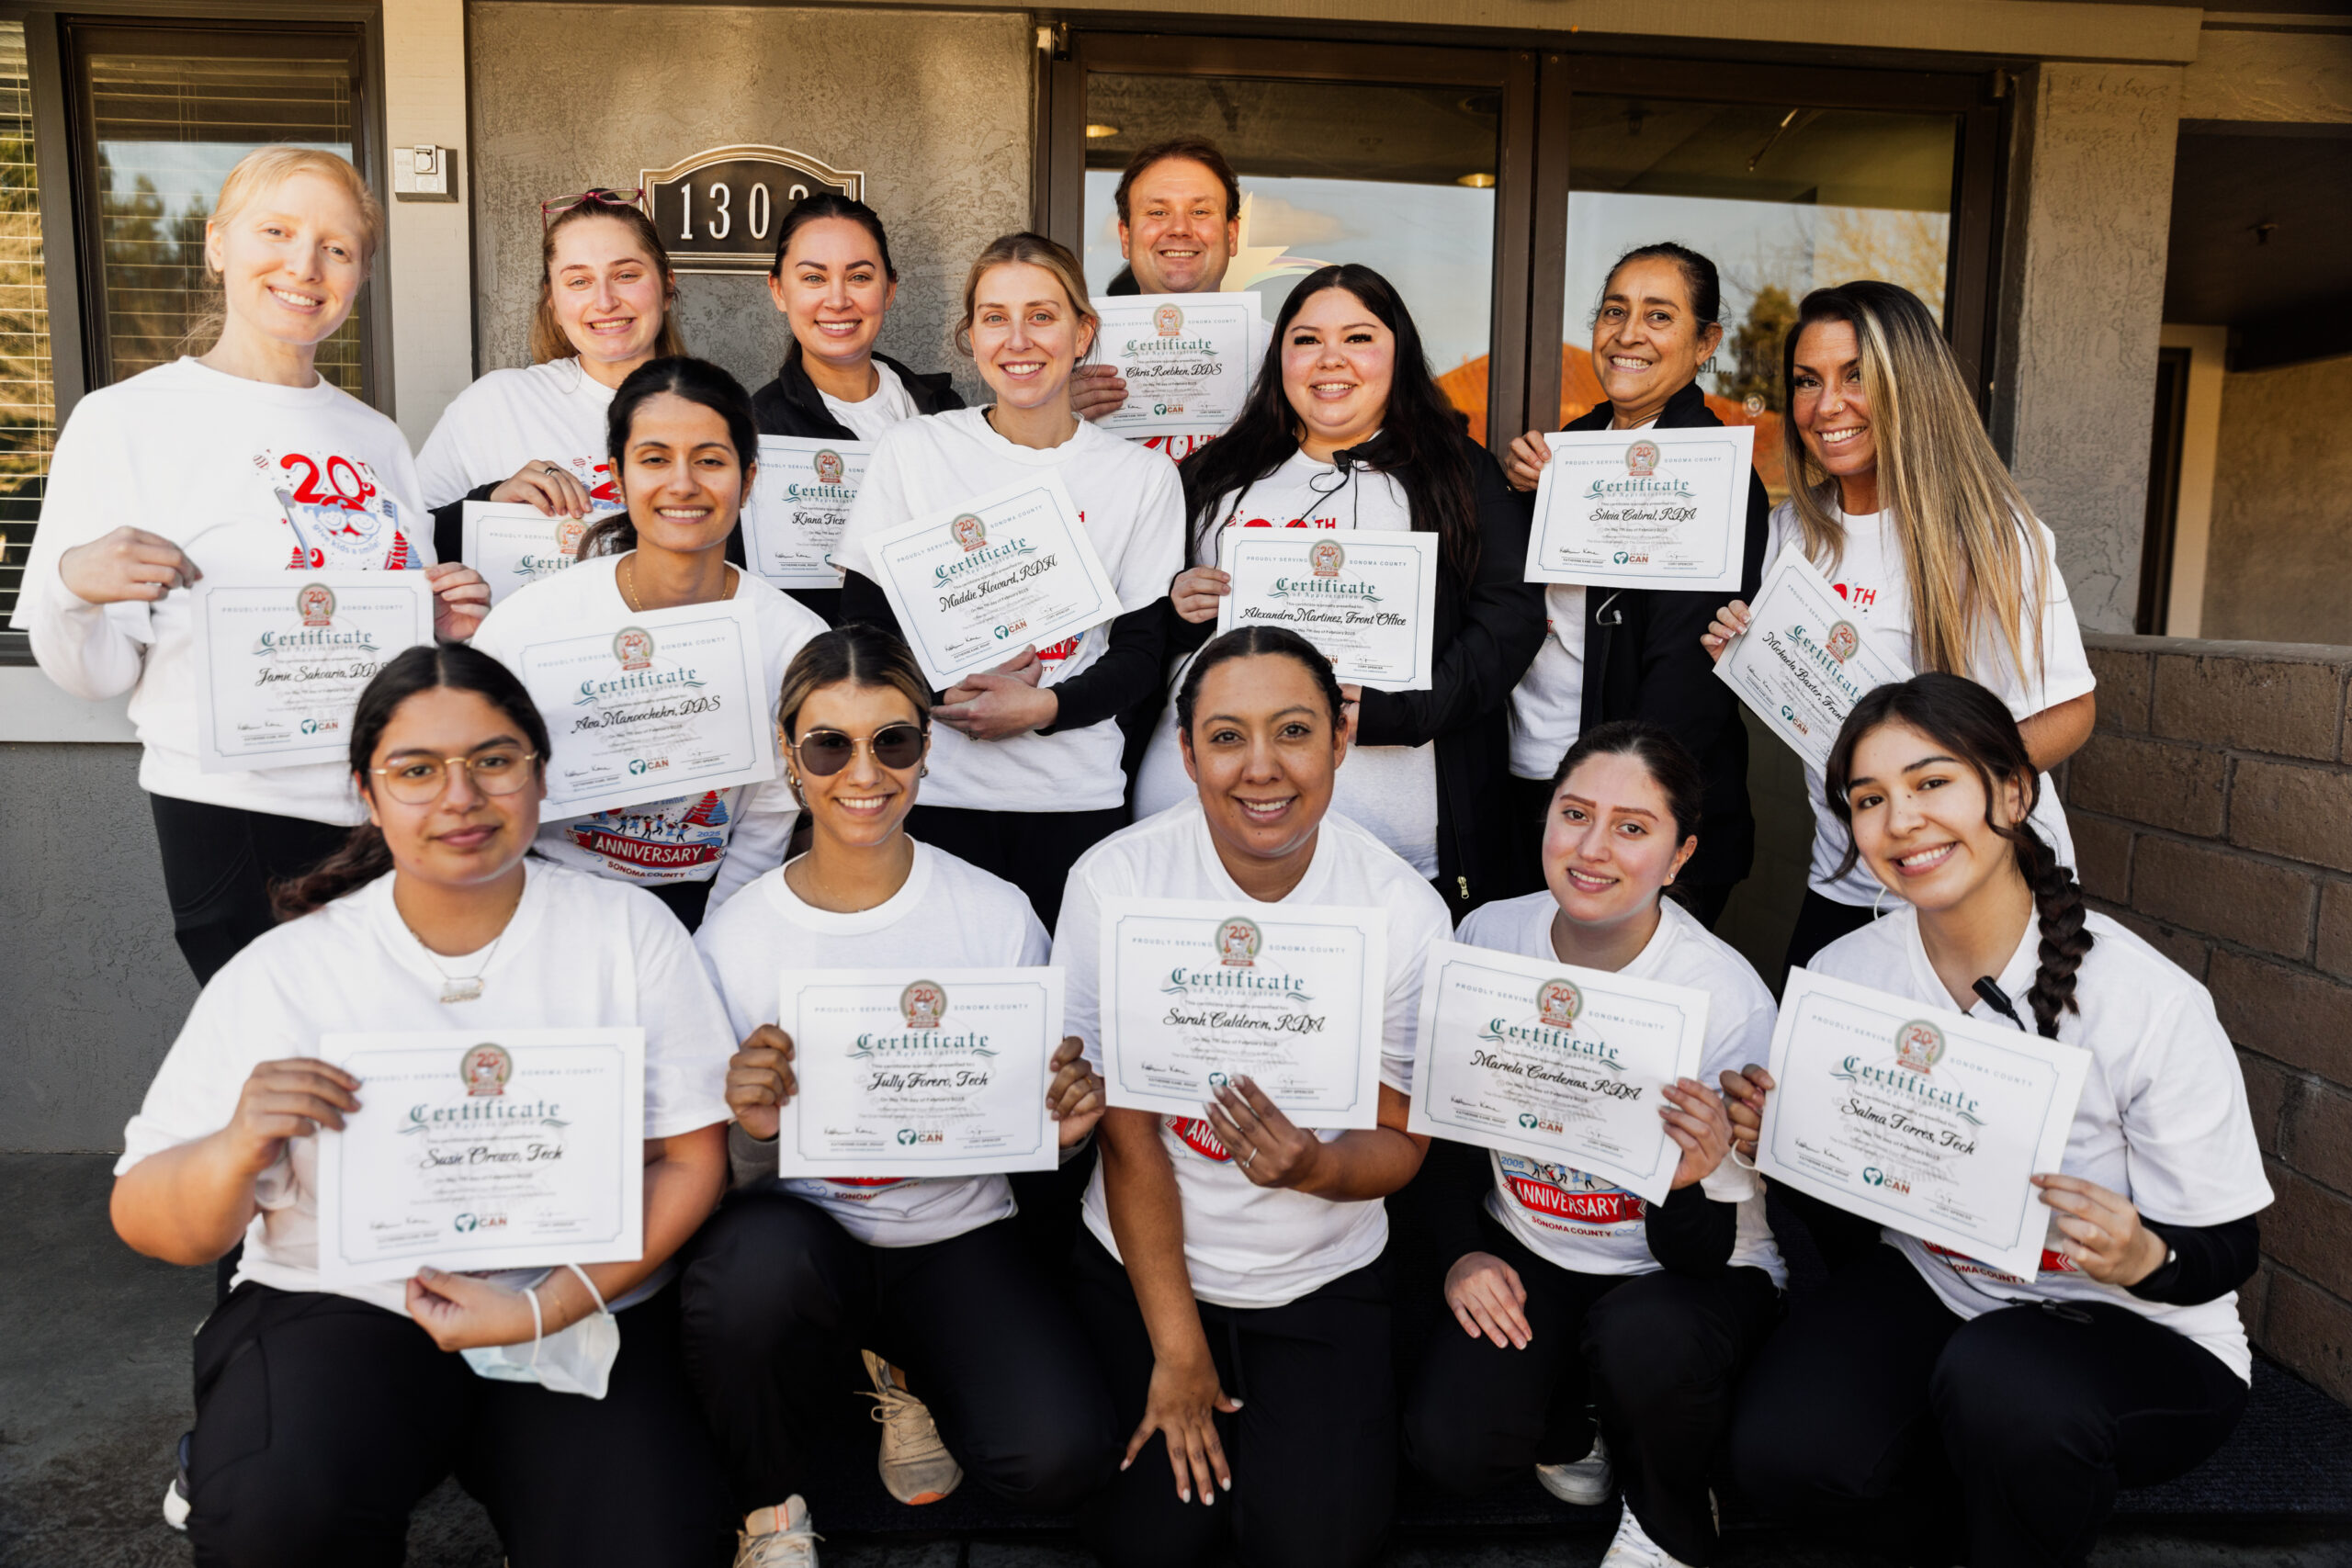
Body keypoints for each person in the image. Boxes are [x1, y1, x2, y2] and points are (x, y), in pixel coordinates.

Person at [107, 643, 737, 1566]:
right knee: (279, 1522)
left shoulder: (625, 933)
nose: (460, 797)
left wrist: (541, 1310)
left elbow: (691, 1158)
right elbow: (155, 1224)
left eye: (493, 759)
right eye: (416, 770)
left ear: (539, 773)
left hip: (566, 1308)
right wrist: (235, 1147)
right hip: (344, 1307)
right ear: (366, 791)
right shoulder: (289, 972)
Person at [1720, 673, 2269, 1567]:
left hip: (2137, 1329)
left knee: (2003, 1385)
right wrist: (1785, 1148)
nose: (1900, 820)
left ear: (2013, 792)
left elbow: (2224, 1249)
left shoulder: (2146, 1001)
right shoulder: (1845, 973)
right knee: (1781, 1454)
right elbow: (1849, 1223)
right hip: (1940, 1283)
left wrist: (2144, 1255)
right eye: (1869, 799)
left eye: (1931, 783)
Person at [681, 625, 1119, 1568]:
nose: (863, 772)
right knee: (747, 1279)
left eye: (893, 740)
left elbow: (1031, 1128)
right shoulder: (734, 938)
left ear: (926, 748)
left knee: (1059, 1459)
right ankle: (770, 1505)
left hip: (956, 1234)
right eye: (828, 744)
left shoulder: (994, 911)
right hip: (801, 1236)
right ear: (789, 758)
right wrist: (751, 1128)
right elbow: (714, 1175)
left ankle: (896, 1365)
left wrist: (1070, 1130)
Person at [11, 146, 487, 985]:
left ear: (360, 273)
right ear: (217, 245)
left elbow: (385, 628)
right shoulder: (125, 420)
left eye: (337, 248)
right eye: (277, 231)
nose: (305, 265)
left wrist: (433, 626)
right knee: (288, 1080)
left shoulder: (376, 437)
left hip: (385, 810)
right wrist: (68, 584)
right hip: (236, 817)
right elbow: (95, 673)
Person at [1057, 626, 1453, 1568]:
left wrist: (1316, 1166)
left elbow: (1400, 1143)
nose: (1261, 768)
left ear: (1340, 740)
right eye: (1227, 737)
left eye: (1293, 731)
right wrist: (1177, 1347)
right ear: (1186, 751)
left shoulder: (1399, 909)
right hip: (1142, 1266)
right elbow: (1127, 1134)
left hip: (1320, 1275)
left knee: (1315, 1548)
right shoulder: (1118, 881)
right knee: (1153, 1543)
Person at [1402, 721, 1782, 1568]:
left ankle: (1671, 1513)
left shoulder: (1725, 999)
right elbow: (1448, 1134)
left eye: (1633, 827)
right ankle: (1580, 1409)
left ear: (1681, 858)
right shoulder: (1486, 937)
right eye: (1575, 813)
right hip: (1536, 1237)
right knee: (1452, 1449)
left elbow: (1700, 1250)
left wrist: (1690, 1175)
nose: (1593, 847)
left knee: (1645, 1341)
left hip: (1682, 1273)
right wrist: (1463, 1253)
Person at [1701, 281, 2095, 971]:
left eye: (1858, 377)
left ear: (1910, 384)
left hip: (1983, 885)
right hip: (1847, 881)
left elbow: (2070, 713)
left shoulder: (1992, 534)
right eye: (1807, 381)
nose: (1827, 406)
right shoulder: (1788, 533)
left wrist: (1925, 791)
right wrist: (1750, 653)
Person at [1131, 263, 1544, 912]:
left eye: (1358, 338)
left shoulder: (1458, 472)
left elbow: (1508, 624)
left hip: (1392, 842)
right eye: (1306, 339)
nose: (1331, 360)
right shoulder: (1214, 473)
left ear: (1398, 352)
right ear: (1280, 355)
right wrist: (1180, 613)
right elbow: (1136, 635)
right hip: (1193, 827)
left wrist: (1390, 712)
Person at [832, 231, 1184, 927]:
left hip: (1073, 800)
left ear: (1084, 331)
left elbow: (1144, 653)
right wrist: (940, 691)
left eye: (1043, 316)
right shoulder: (916, 451)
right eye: (995, 317)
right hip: (932, 792)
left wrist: (1045, 710)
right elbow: (863, 627)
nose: (1018, 339)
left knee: (1056, 1024)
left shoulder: (1141, 476)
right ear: (970, 335)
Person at [471, 357, 827, 932]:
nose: (682, 483)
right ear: (617, 474)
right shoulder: (529, 626)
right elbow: (482, 787)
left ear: (750, 478)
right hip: (543, 904)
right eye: (655, 459)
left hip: (705, 905)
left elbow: (767, 818)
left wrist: (713, 943)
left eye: (710, 461)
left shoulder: (796, 641)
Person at [1498, 243, 1770, 925]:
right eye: (1614, 311)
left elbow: (1684, 680)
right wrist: (1521, 492)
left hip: (1639, 813)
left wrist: (1613, 815)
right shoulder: (1571, 450)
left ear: (1706, 341)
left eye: (1659, 316)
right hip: (1530, 779)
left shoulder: (1717, 474)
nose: (1628, 334)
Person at [419, 188, 695, 568]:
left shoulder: (712, 410)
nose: (604, 300)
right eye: (579, 281)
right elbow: (404, 542)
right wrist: (490, 500)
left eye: (626, 274)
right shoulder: (495, 404)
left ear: (667, 285)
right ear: (552, 299)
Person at [747, 192, 967, 625]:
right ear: (778, 290)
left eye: (859, 277)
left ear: (890, 289)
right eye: (813, 278)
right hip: (829, 674)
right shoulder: (755, 429)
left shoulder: (944, 411)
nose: (837, 299)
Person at [1072, 137, 1272, 461]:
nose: (1180, 228)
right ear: (1126, 237)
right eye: (1158, 211)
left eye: (1200, 211)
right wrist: (1052, 416)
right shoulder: (1070, 360)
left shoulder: (1285, 359)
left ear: (1232, 235)